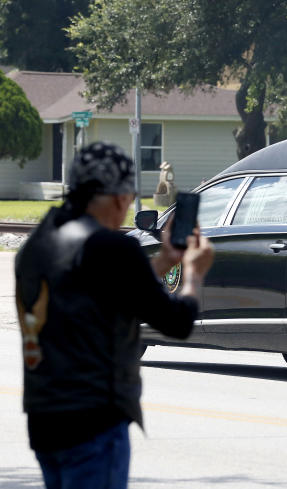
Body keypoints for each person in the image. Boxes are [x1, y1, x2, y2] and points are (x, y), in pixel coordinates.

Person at [15, 142, 214, 489]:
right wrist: (193, 274)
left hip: (45, 419)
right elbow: (176, 322)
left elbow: (102, 296)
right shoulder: (113, 248)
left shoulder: (37, 246)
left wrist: (164, 261)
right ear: (120, 197)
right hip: (94, 420)